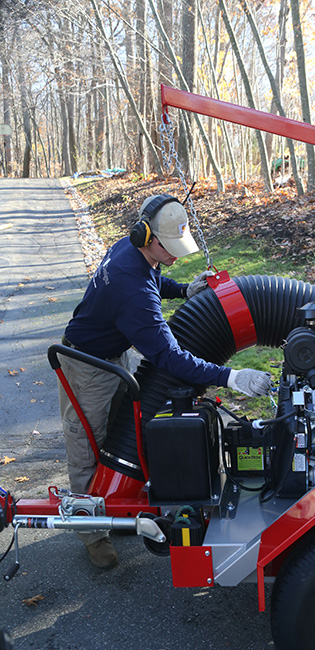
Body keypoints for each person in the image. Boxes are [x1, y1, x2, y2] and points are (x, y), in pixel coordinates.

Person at [57, 194, 272, 569]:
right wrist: (231, 376)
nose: (175, 254)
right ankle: (92, 533)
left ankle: (117, 504)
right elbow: (169, 357)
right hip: (85, 367)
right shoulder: (132, 290)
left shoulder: (133, 250)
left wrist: (184, 290)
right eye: (169, 247)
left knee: (119, 433)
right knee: (87, 445)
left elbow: (153, 278)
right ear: (146, 236)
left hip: (113, 355)